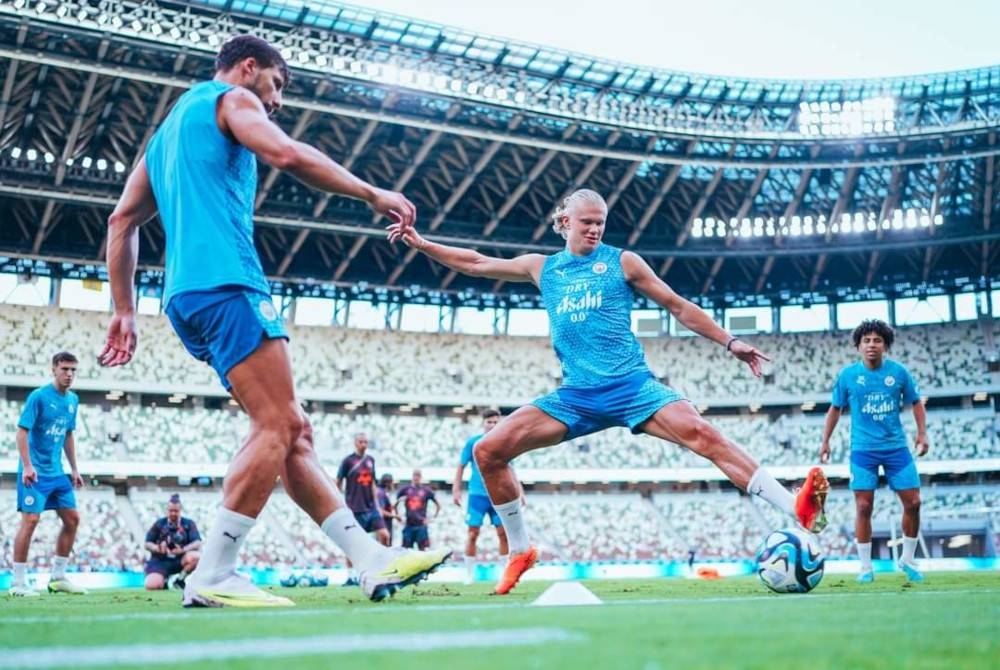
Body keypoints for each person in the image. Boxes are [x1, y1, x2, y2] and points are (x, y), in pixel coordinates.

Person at [100, 34, 449, 607]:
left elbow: (121, 222)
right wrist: (370, 192)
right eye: (278, 84)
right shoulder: (233, 101)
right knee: (278, 427)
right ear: (247, 67)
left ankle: (369, 558)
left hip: (186, 297)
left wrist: (123, 309)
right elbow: (285, 153)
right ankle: (213, 571)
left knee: (292, 430)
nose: (277, 100)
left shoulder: (163, 137)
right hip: (230, 282)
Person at [388, 188, 829, 595]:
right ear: (564, 222)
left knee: (703, 433)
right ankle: (520, 550)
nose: (595, 229)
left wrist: (730, 342)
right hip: (576, 395)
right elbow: (478, 262)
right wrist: (423, 243)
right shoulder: (543, 267)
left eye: (600, 222)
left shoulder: (623, 262)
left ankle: (796, 508)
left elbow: (677, 305)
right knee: (488, 451)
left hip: (633, 386)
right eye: (586, 223)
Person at [820, 319, 929, 583]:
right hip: (863, 450)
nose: (871, 345)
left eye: (877, 340)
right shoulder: (847, 376)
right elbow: (835, 408)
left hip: (896, 448)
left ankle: (908, 558)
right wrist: (825, 441)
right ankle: (866, 567)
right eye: (866, 340)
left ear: (885, 346)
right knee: (864, 506)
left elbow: (916, 402)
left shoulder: (899, 373)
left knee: (914, 503)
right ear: (858, 346)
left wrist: (922, 433)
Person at [9, 351, 88, 597]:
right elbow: (22, 432)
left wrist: (74, 469)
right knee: (31, 521)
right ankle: (18, 583)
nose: (69, 374)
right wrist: (28, 465)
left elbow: (68, 434)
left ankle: (58, 577)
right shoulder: (39, 397)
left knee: (72, 519)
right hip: (34, 473)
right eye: (65, 369)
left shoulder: (73, 400)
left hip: (57, 473)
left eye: (73, 370)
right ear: (53, 368)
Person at [452, 409, 517, 584]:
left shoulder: (505, 444)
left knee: (503, 534)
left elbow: (511, 470)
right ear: (483, 423)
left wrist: (519, 492)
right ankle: (469, 574)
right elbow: (461, 466)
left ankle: (505, 573)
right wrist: (456, 489)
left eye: (496, 422)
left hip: (498, 495)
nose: (493, 425)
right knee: (473, 533)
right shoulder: (473, 443)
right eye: (489, 422)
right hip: (477, 496)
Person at [336, 432, 390, 586]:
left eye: (366, 442)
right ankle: (351, 576)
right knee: (350, 543)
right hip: (353, 508)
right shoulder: (347, 461)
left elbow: (372, 483)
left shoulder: (371, 460)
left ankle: (382, 569)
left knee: (384, 535)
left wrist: (377, 505)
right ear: (355, 443)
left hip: (371, 508)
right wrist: (338, 501)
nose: (364, 445)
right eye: (361, 442)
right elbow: (338, 481)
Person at [144, 494, 202, 590]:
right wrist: (157, 548)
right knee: (152, 585)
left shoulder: (188, 523)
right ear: (167, 510)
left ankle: (180, 580)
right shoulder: (159, 524)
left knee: (197, 557)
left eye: (176, 511)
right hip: (160, 561)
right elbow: (147, 543)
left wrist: (183, 550)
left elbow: (197, 543)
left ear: (180, 511)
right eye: (171, 511)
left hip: (180, 559)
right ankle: (163, 580)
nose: (173, 513)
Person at [396, 469, 440, 550]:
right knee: (405, 551)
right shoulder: (405, 490)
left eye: (418, 475)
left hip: (421, 525)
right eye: (415, 475)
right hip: (409, 525)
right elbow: (395, 504)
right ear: (412, 476)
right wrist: (398, 517)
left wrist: (432, 518)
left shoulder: (426, 490)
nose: (416, 477)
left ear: (421, 477)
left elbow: (438, 505)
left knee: (423, 550)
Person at [377, 474, 401, 546]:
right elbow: (381, 511)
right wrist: (395, 516)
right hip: (383, 526)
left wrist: (397, 502)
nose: (393, 484)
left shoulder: (384, 493)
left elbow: (387, 509)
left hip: (386, 525)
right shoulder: (381, 493)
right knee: (384, 548)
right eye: (392, 482)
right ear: (388, 483)